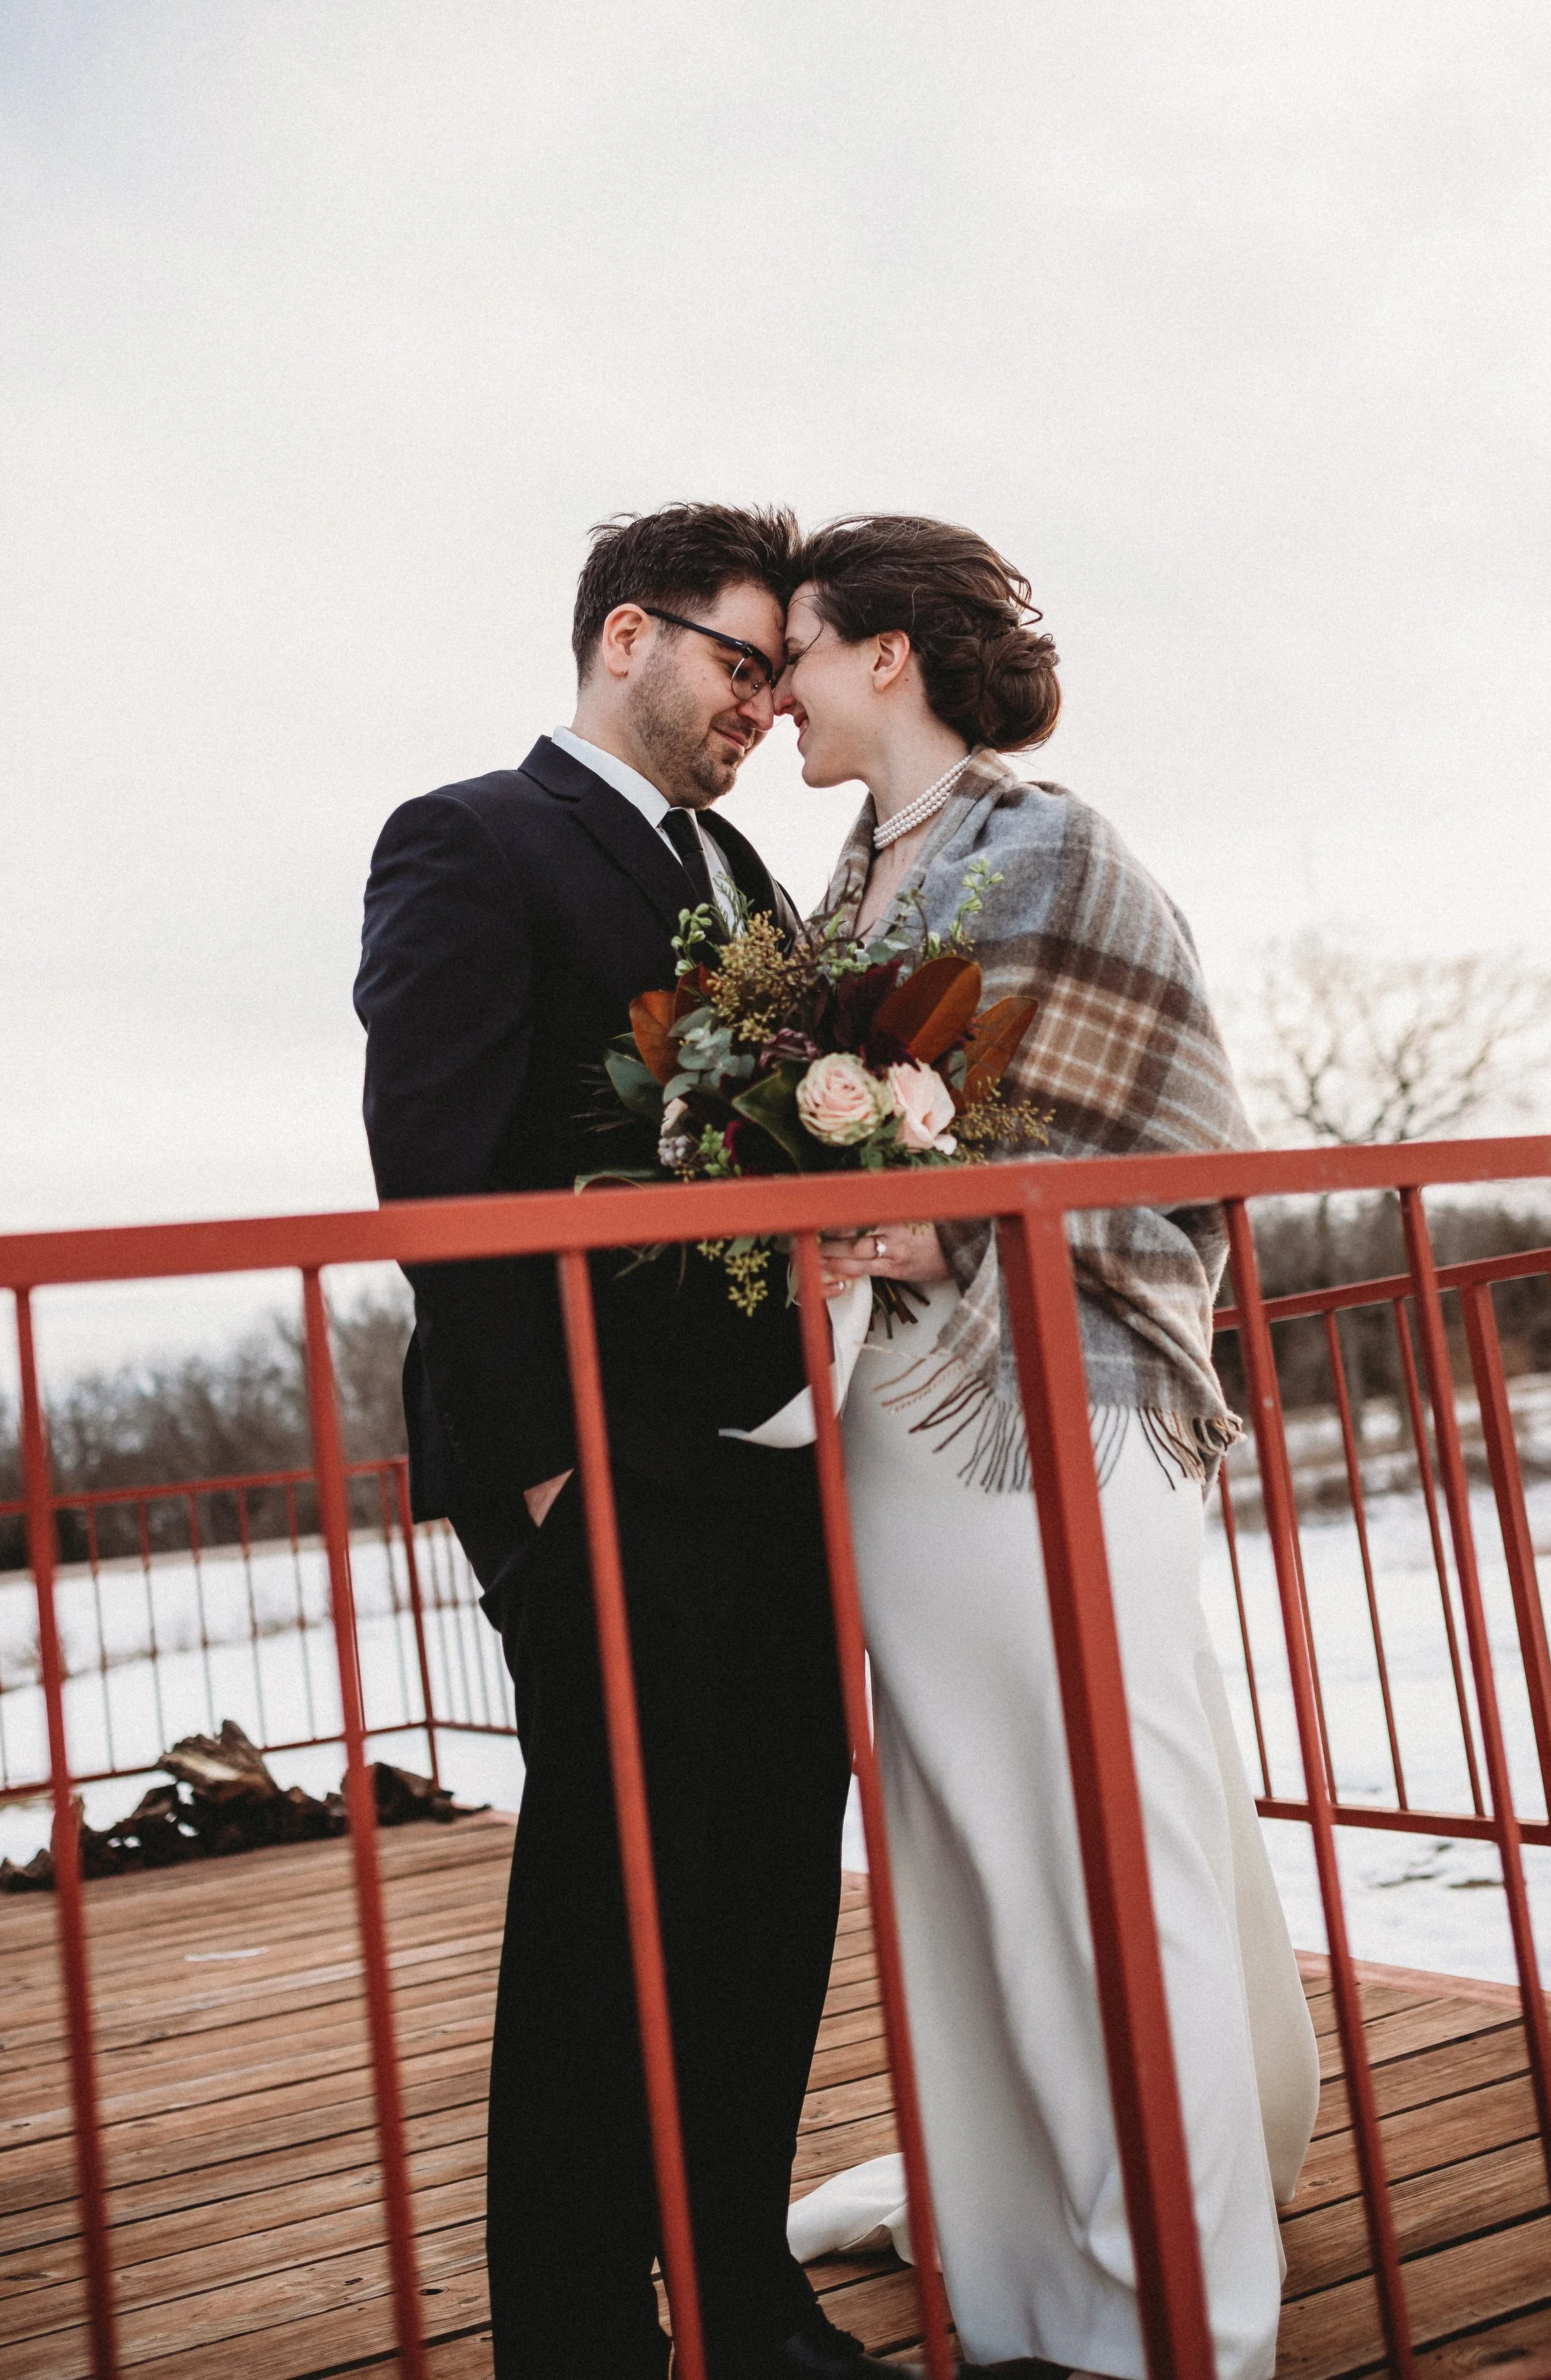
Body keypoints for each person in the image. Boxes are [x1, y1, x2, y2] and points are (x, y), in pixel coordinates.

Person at [354, 505, 900, 2380]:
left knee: (762, 1876)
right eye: (739, 660)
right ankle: (575, 2332)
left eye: (777, 672)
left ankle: (736, 2287)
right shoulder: (469, 837)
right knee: (607, 1897)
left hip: (762, 1456)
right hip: (588, 1465)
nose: (763, 701)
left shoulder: (744, 867)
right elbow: (430, 1159)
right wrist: (538, 1473)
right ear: (620, 639)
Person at [773, 517, 1321, 2380]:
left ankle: (1185, 2306)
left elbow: (1172, 1143)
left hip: (1059, 1404)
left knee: (1111, 1837)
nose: (772, 693)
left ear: (887, 658)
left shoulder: (1049, 845)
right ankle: (1027, 2267)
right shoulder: (844, 886)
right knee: (978, 1846)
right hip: (899, 1427)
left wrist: (976, 1213)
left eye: (799, 652)